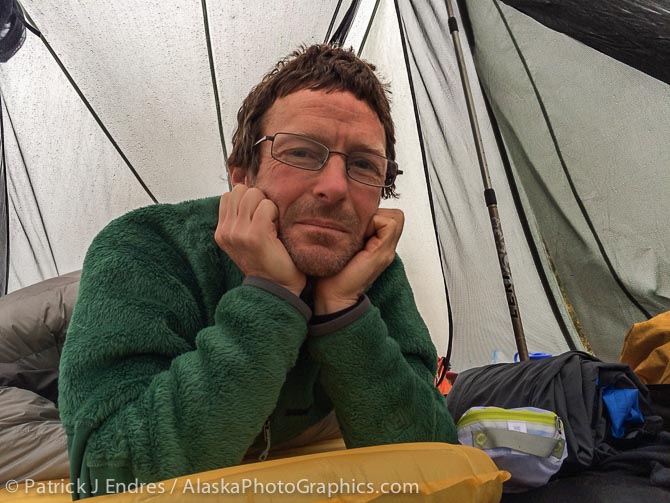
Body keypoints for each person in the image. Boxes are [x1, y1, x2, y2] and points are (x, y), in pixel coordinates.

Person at [58, 44, 457, 498]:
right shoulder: (146, 245)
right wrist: (270, 295)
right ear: (242, 176)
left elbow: (433, 456)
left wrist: (342, 311)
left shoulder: (369, 265)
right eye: (303, 153)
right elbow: (106, 476)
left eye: (364, 165)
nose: (334, 187)